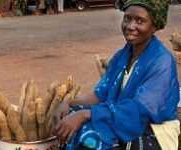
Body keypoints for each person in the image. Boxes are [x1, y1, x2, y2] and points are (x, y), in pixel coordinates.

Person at [53, 0, 180, 149]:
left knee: (90, 135)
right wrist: (68, 103)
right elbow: (100, 95)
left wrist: (86, 114)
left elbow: (140, 111)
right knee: (69, 118)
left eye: (140, 21)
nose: (131, 26)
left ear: (154, 26)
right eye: (127, 18)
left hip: (152, 128)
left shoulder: (162, 61)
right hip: (120, 117)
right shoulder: (122, 56)